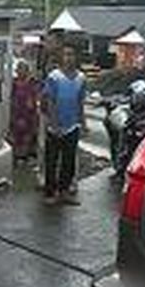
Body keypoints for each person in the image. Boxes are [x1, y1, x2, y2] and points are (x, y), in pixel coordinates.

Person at [42, 45, 86, 206]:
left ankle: (64, 192)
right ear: (61, 57)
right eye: (66, 54)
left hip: (72, 126)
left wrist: (83, 123)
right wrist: (55, 124)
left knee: (69, 161)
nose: (69, 58)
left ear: (76, 57)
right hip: (55, 128)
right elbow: (50, 101)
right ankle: (50, 192)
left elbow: (80, 102)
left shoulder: (82, 77)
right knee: (51, 161)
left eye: (72, 54)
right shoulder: (54, 76)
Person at [10, 61, 40, 161]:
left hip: (29, 115)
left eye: (22, 69)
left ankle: (27, 155)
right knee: (18, 136)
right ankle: (19, 156)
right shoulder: (13, 83)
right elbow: (11, 99)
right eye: (18, 69)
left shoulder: (32, 82)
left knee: (29, 135)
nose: (19, 71)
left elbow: (36, 98)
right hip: (17, 114)